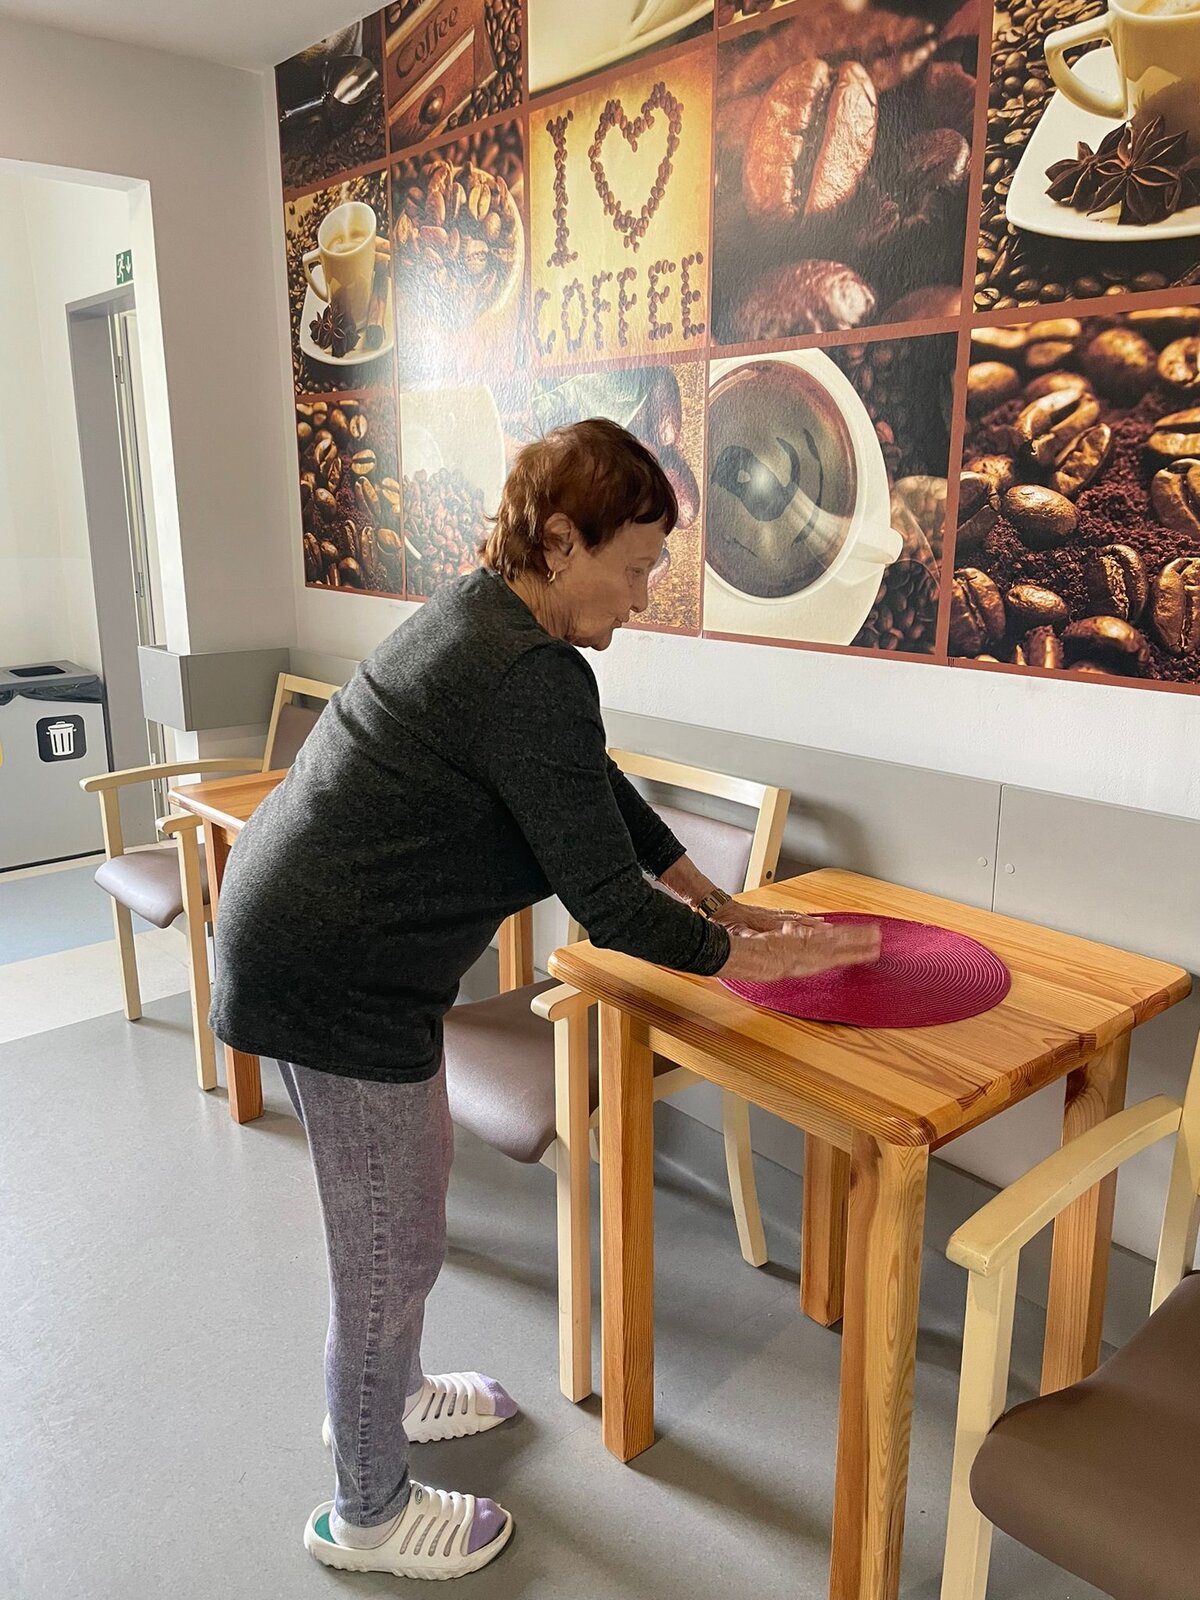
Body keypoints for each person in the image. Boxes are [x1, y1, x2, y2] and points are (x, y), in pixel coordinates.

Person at [210, 418, 880, 1581]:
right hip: (333, 979)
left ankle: (394, 1397)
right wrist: (754, 960)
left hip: (321, 948)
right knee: (386, 1255)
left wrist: (711, 894)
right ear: (561, 542)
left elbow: (593, 785)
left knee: (403, 1221)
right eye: (634, 569)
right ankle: (366, 1512)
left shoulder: (490, 621)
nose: (642, 599)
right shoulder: (525, 671)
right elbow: (610, 910)